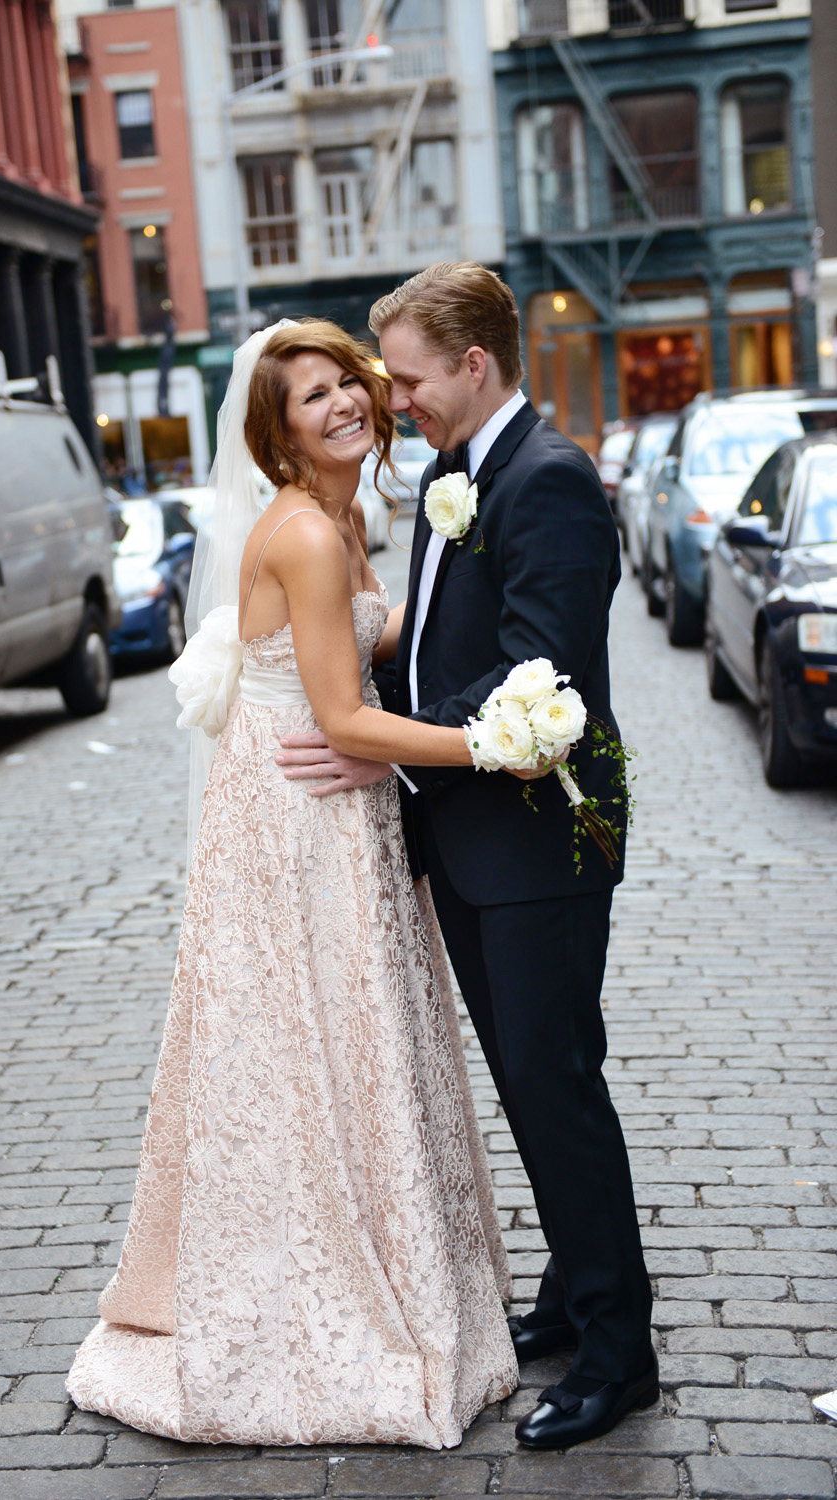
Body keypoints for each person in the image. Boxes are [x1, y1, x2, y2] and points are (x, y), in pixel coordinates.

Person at [66, 318, 518, 1448]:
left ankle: (393, 1263)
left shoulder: (346, 517)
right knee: (312, 1042)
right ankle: (322, 1299)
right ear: (275, 434)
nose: (339, 407)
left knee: (349, 1037)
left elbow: (381, 644)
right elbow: (341, 717)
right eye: (308, 398)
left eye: (344, 386)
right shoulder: (308, 539)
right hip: (302, 815)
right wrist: (501, 741)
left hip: (336, 805)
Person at [277, 264, 656, 1450]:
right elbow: (444, 653)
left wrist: (389, 749)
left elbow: (543, 678)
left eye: (411, 374)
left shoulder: (547, 482)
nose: (396, 397)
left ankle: (617, 1354)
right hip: (472, 844)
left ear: (474, 366)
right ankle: (568, 1290)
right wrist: (354, 710)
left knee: (557, 1088)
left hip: (540, 848)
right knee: (527, 1085)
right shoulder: (453, 476)